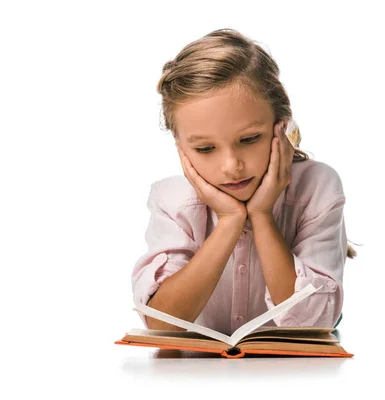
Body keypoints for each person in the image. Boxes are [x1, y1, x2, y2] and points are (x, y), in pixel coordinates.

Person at [131, 28, 357, 335]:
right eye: (205, 149)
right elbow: (160, 325)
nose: (231, 166)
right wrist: (228, 222)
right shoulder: (172, 200)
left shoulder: (317, 187)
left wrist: (262, 216)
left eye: (249, 139)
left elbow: (315, 324)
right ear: (181, 147)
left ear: (285, 128)